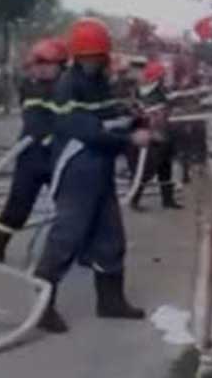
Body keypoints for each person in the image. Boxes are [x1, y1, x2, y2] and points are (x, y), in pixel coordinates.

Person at [33, 18, 151, 334]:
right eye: (93, 56)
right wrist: (129, 141)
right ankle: (42, 305)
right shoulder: (67, 87)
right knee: (67, 236)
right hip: (76, 170)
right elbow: (87, 131)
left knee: (111, 237)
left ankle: (110, 302)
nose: (98, 61)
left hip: (99, 171)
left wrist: (135, 120)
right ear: (80, 56)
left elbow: (110, 116)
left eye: (101, 56)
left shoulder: (99, 82)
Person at [0, 38, 69, 263]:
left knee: (70, 206)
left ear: (60, 64)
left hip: (58, 156)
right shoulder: (30, 86)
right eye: (36, 64)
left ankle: (75, 251)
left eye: (45, 63)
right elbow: (35, 120)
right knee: (18, 203)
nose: (39, 68)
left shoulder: (68, 87)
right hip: (31, 156)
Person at [129, 60, 181, 211]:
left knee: (165, 170)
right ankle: (134, 199)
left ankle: (168, 200)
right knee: (146, 171)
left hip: (162, 136)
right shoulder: (152, 94)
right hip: (153, 137)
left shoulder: (146, 91)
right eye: (162, 76)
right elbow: (155, 114)